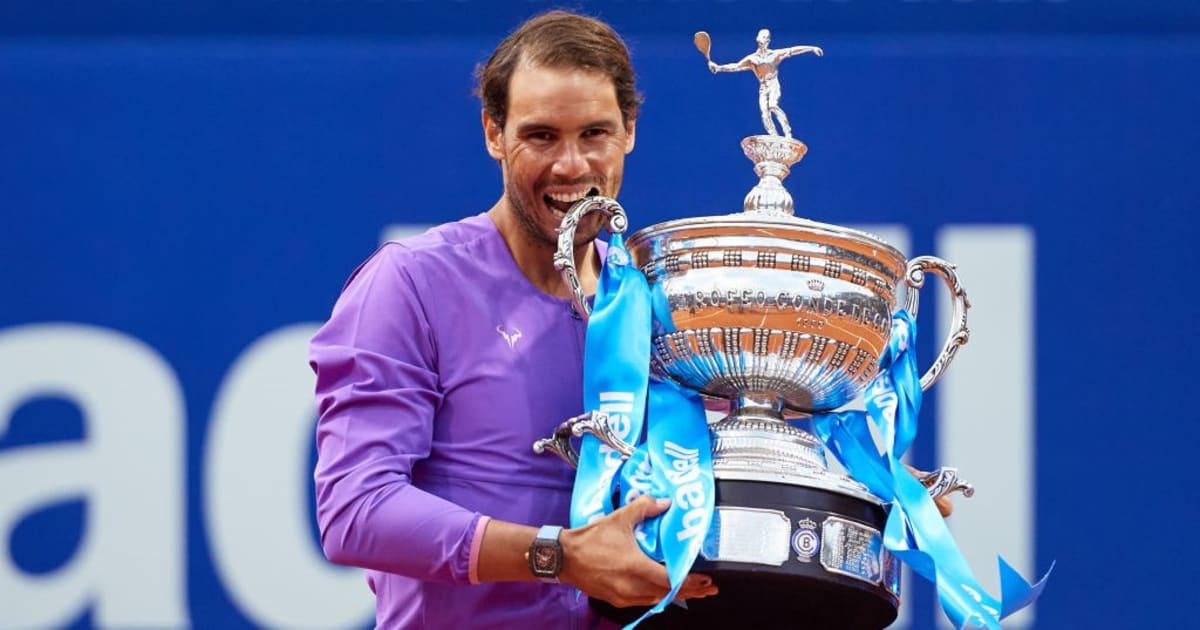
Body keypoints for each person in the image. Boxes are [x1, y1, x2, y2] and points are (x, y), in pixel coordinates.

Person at [309, 10, 718, 629]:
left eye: (595, 134)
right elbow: (355, 510)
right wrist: (558, 555)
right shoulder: (411, 283)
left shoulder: (651, 302)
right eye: (541, 136)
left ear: (630, 131)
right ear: (493, 133)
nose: (571, 166)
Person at [708, 29, 823, 139]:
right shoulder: (752, 59)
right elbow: (736, 66)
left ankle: (787, 132)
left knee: (772, 105)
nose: (765, 40)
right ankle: (773, 136)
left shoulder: (775, 54)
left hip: (773, 84)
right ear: (758, 38)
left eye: (767, 38)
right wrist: (718, 67)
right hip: (763, 87)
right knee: (764, 114)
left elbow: (792, 50)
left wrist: (811, 48)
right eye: (763, 37)